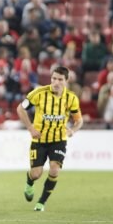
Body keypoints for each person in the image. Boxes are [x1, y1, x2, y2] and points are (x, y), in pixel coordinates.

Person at [16, 66, 84, 212]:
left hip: (58, 139)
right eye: (54, 78)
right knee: (36, 174)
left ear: (66, 81)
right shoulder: (39, 93)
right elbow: (20, 109)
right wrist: (30, 128)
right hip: (39, 140)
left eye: (60, 79)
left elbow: (79, 121)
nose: (56, 82)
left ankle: (41, 202)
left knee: (54, 170)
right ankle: (29, 183)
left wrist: (73, 130)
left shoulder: (71, 98)